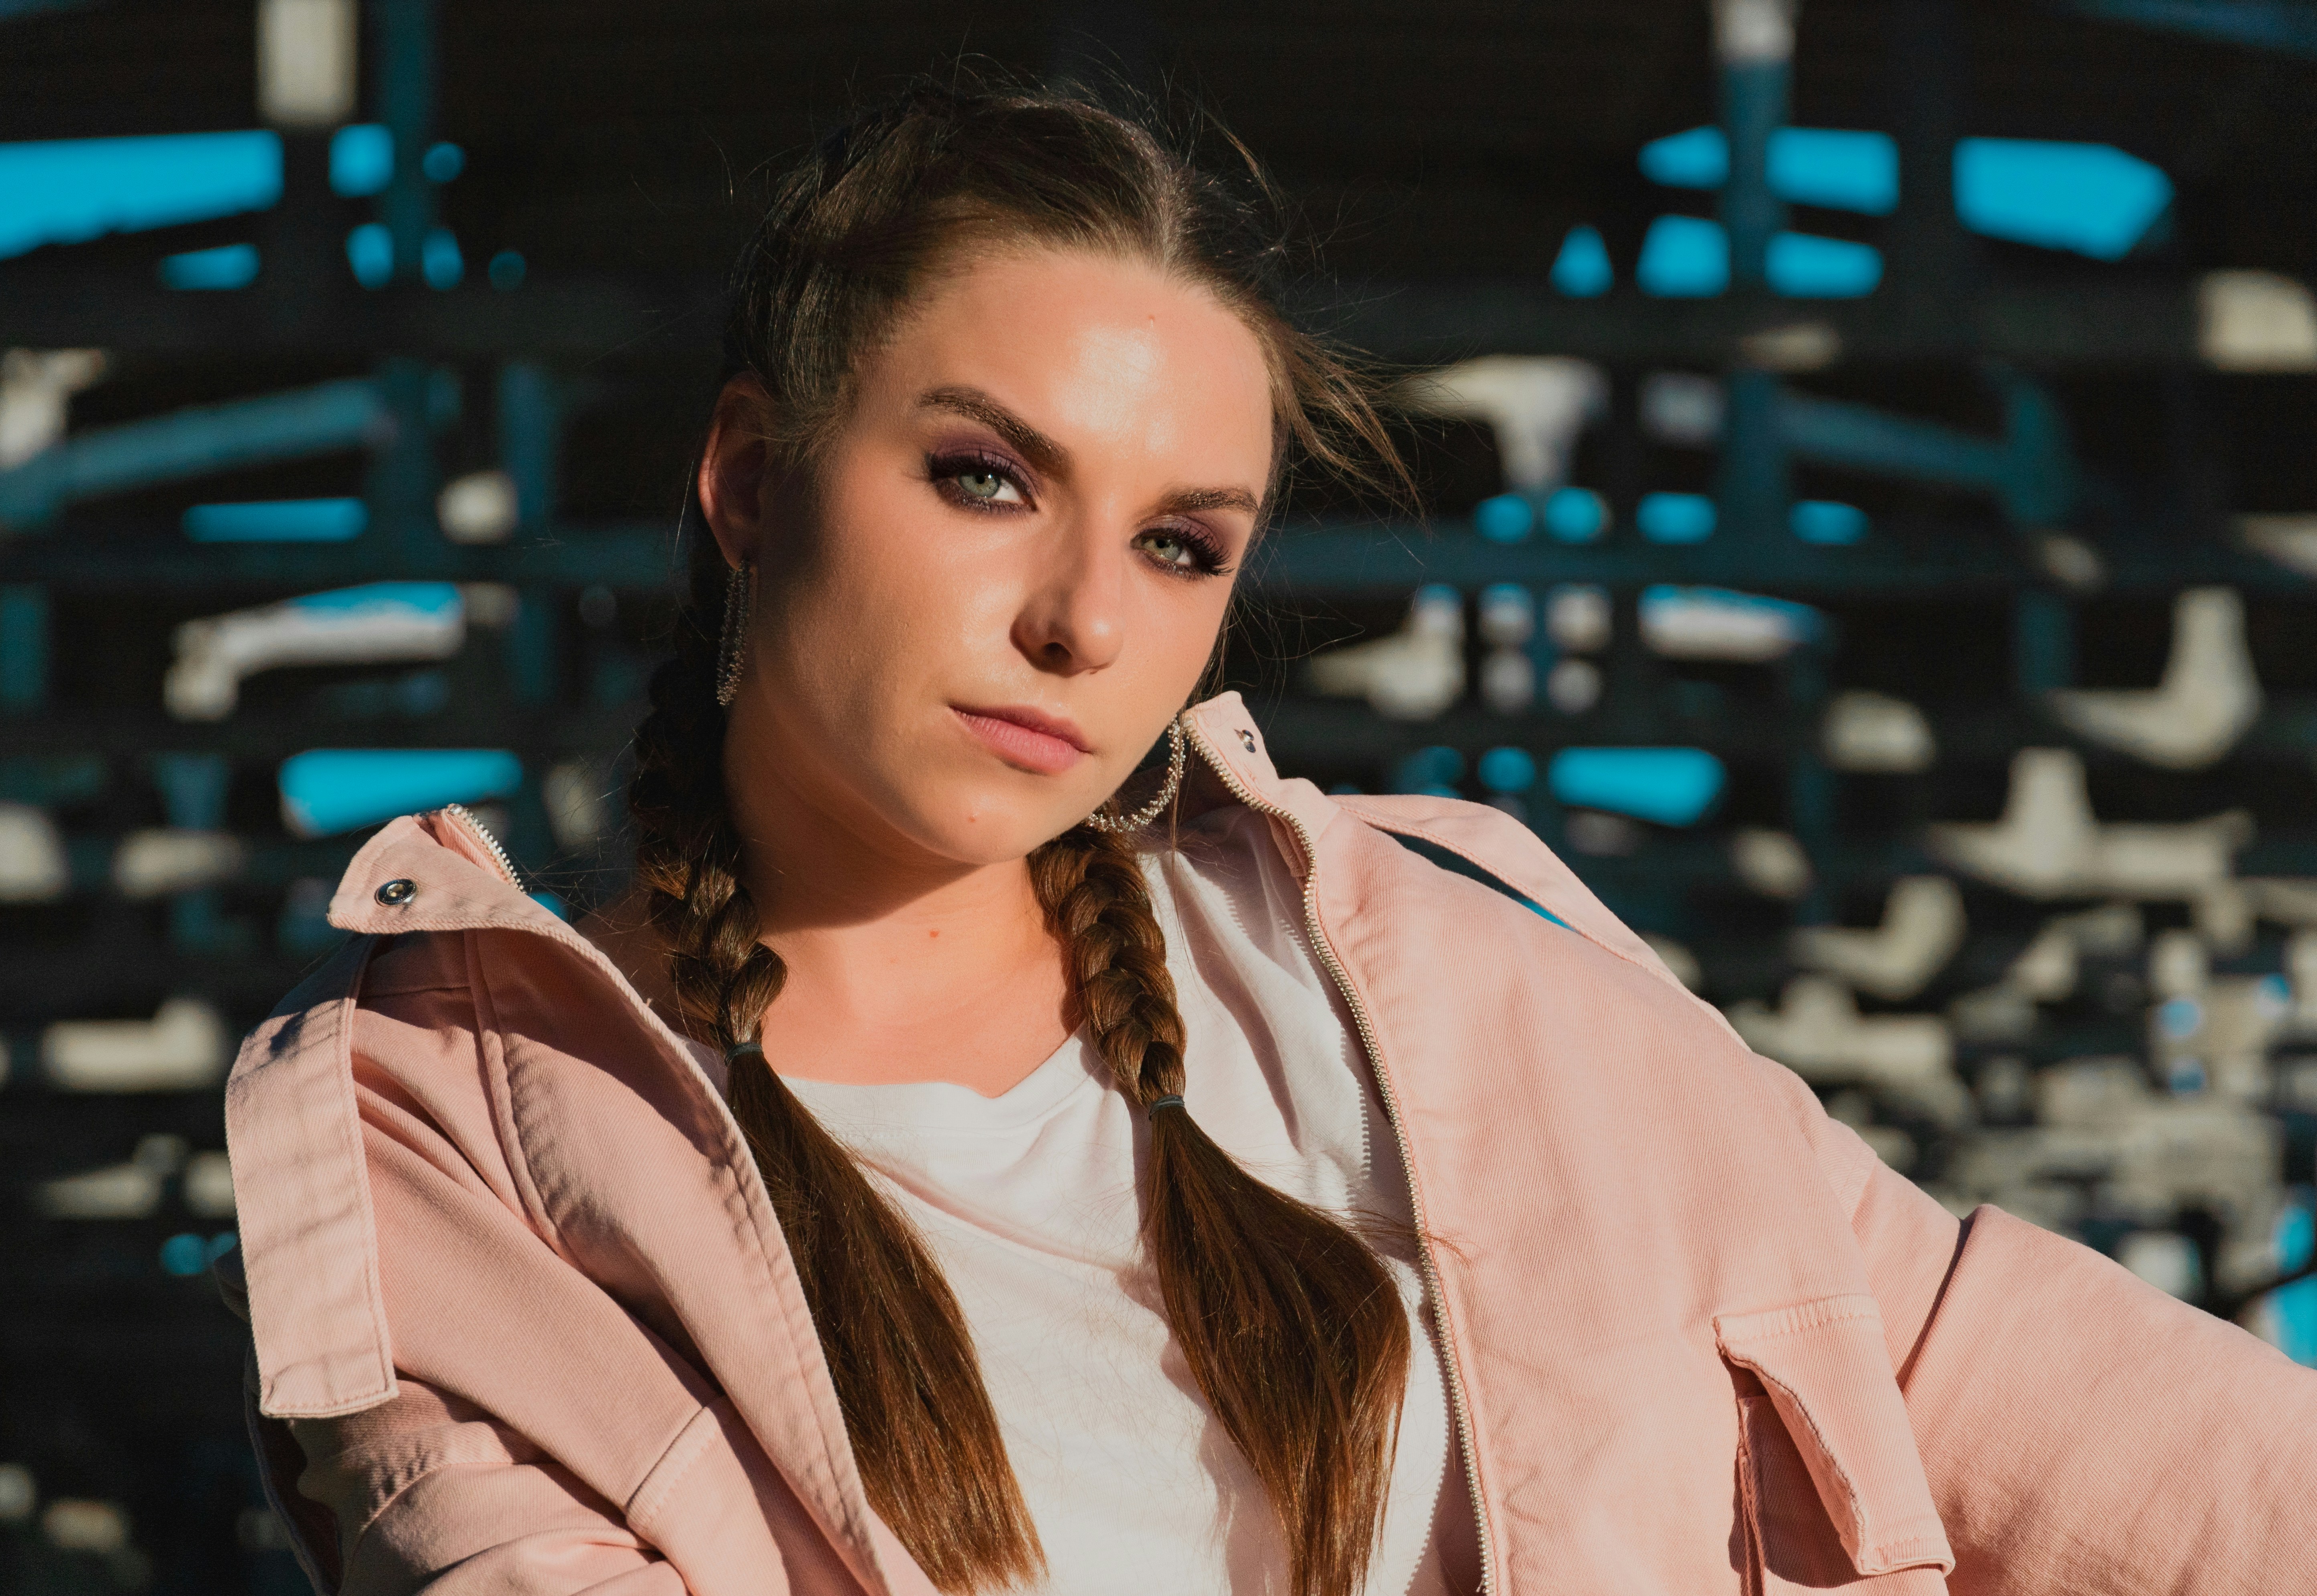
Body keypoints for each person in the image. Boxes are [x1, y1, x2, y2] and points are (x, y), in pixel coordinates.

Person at [219, 81, 2315, 1596]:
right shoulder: (447, 1142)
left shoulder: (1450, 972)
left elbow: (2015, 1377)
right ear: (753, 485)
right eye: (983, 478)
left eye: (1180, 540)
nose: (1084, 618)